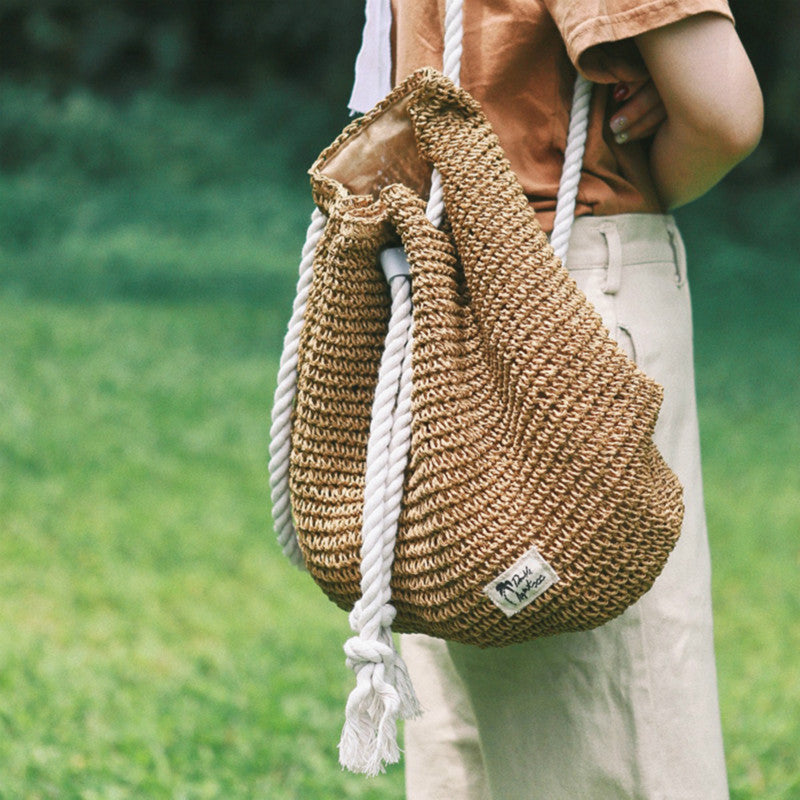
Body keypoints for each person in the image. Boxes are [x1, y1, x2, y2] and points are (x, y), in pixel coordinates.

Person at [388, 2, 763, 798]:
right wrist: (628, 171)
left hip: (439, 283)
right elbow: (723, 112)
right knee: (615, 724)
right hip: (571, 277)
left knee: (470, 729)